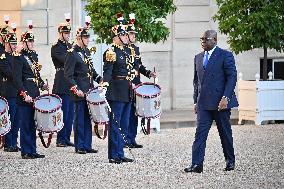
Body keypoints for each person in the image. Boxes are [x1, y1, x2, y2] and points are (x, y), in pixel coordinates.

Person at [184, 30, 238, 173]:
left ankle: (230, 161)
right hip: (203, 104)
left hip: (221, 103)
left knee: (224, 133)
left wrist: (226, 97)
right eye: (201, 39)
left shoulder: (225, 55)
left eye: (205, 39)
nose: (202, 41)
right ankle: (196, 164)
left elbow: (232, 77)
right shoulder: (198, 57)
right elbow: (196, 82)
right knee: (199, 134)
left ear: (214, 40)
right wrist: (195, 101)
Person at [102, 15, 138, 164]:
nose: (125, 36)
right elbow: (108, 71)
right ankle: (114, 155)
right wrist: (104, 85)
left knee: (124, 124)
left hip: (127, 90)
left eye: (125, 34)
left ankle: (120, 152)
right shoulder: (111, 51)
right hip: (116, 91)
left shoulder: (125, 51)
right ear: (115, 37)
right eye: (122, 34)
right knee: (115, 124)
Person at [64, 26, 101, 154]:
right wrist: (76, 89)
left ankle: (87, 144)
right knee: (79, 119)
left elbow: (91, 71)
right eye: (85, 37)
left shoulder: (86, 52)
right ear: (79, 38)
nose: (88, 39)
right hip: (79, 91)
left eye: (88, 37)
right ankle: (79, 146)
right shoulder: (72, 53)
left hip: (89, 90)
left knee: (87, 118)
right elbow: (68, 75)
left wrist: (100, 79)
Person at [12, 29, 47, 159]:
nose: (32, 43)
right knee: (25, 123)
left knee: (33, 123)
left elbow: (36, 75)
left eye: (32, 41)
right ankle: (26, 151)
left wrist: (42, 84)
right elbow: (16, 78)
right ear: (24, 42)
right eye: (29, 41)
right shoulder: (18, 57)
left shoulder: (33, 56)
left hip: (34, 93)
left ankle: (32, 149)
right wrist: (24, 93)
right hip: (25, 94)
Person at [125, 13, 156, 148]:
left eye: (134, 34)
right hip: (126, 85)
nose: (134, 36)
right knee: (126, 114)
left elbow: (139, 66)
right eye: (132, 34)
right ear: (126, 35)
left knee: (136, 112)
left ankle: (132, 138)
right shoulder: (123, 49)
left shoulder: (135, 49)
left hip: (136, 84)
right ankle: (125, 139)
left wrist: (149, 73)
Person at [52, 22, 74, 147]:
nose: (67, 35)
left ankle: (66, 137)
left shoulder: (70, 46)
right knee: (63, 112)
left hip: (70, 82)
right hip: (61, 81)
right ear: (60, 33)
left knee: (70, 113)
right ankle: (60, 139)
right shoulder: (56, 47)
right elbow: (65, 60)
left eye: (68, 33)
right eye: (65, 33)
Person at [0, 32, 20, 152]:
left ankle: (14, 142)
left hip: (17, 91)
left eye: (15, 43)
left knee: (17, 119)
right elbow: (10, 74)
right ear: (6, 43)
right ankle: (8, 143)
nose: (14, 46)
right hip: (8, 91)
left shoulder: (16, 57)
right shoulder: (3, 58)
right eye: (12, 43)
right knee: (9, 118)